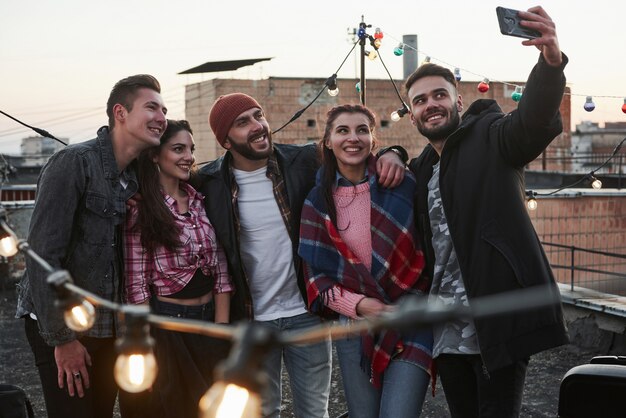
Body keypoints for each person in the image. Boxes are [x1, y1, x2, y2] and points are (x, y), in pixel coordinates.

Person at [197, 93, 406, 418]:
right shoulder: (209, 183)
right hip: (253, 320)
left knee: (314, 412)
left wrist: (395, 152)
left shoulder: (303, 162)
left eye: (258, 115)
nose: (258, 126)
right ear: (225, 140)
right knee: (263, 411)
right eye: (243, 122)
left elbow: (356, 154)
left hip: (305, 314)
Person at [405, 6, 569, 418]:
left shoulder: (492, 136)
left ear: (457, 99)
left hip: (496, 321)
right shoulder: (421, 168)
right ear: (412, 115)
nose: (431, 105)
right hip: (445, 331)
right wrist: (389, 151)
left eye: (439, 94)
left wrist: (549, 63)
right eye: (420, 101)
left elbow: (531, 122)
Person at [15, 75, 168, 418]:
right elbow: (42, 257)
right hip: (66, 327)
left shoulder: (138, 175)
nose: (162, 117)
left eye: (165, 109)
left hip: (110, 327)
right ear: (120, 113)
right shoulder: (73, 163)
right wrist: (62, 339)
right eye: (152, 107)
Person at [298, 104, 433, 418]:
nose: (353, 138)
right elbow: (316, 278)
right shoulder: (317, 202)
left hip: (409, 317)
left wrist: (396, 153)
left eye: (362, 130)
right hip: (354, 326)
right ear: (328, 141)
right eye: (342, 130)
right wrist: (359, 305)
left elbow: (428, 247)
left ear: (374, 140)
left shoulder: (401, 184)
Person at [124, 119, 233, 417]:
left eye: (191, 149)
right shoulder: (141, 208)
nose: (188, 156)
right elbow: (136, 285)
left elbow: (221, 271)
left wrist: (221, 330)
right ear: (155, 155)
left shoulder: (200, 200)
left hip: (208, 323)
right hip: (168, 327)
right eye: (178, 149)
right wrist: (144, 343)